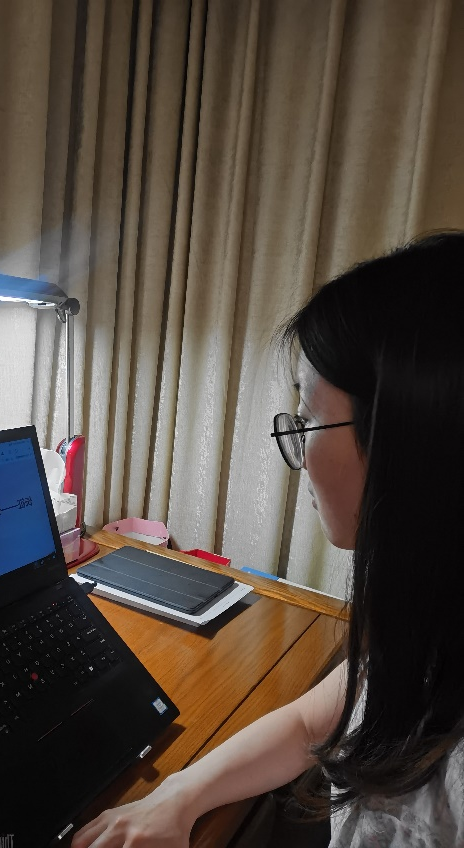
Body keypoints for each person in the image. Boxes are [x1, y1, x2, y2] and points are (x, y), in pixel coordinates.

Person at [71, 231, 464, 848]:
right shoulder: (433, 630)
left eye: (308, 417)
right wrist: (178, 794)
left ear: (408, 438)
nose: (298, 447)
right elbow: (315, 716)